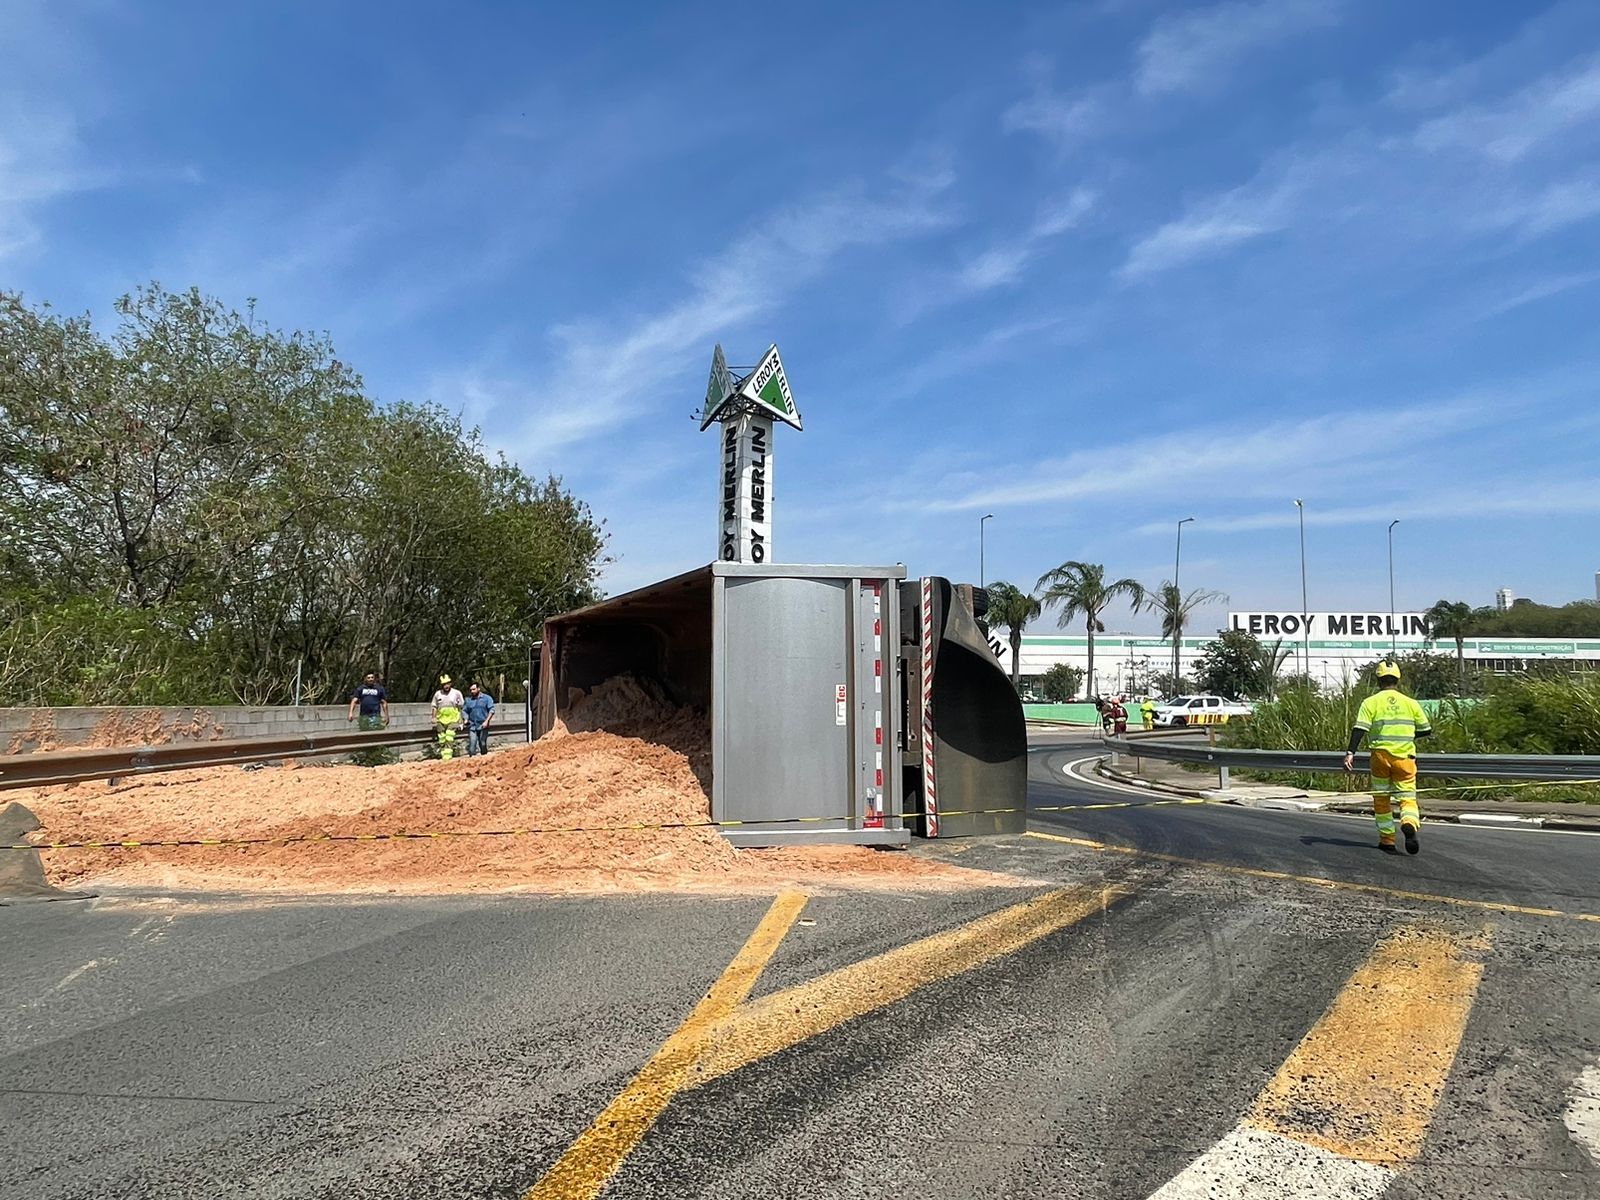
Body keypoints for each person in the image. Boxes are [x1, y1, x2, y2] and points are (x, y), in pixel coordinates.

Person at [1343, 660, 1432, 855]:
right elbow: (1426, 729)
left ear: (1378, 680)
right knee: (1407, 798)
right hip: (1405, 759)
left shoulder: (1370, 702)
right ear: (1398, 679)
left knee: (1382, 799)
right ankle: (1409, 823)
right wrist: (1408, 736)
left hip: (1380, 758)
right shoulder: (1411, 703)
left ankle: (1387, 840)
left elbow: (1360, 729)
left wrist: (1350, 753)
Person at [432, 673, 465, 761]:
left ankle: (448, 757)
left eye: (447, 684)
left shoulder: (456, 693)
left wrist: (461, 720)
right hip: (441, 719)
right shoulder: (437, 694)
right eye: (444, 684)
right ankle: (443, 755)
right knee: (442, 738)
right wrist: (434, 717)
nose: (446, 686)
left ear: (450, 683)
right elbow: (434, 706)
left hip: (453, 719)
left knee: (449, 736)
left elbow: (461, 706)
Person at [462, 681, 496, 757]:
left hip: (483, 725)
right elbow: (464, 711)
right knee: (472, 744)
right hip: (472, 725)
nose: (472, 691)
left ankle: (484, 759)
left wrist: (487, 721)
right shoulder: (468, 700)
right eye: (471, 690)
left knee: (482, 743)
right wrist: (465, 719)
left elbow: (492, 710)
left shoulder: (487, 698)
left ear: (478, 689)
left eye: (474, 689)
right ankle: (472, 761)